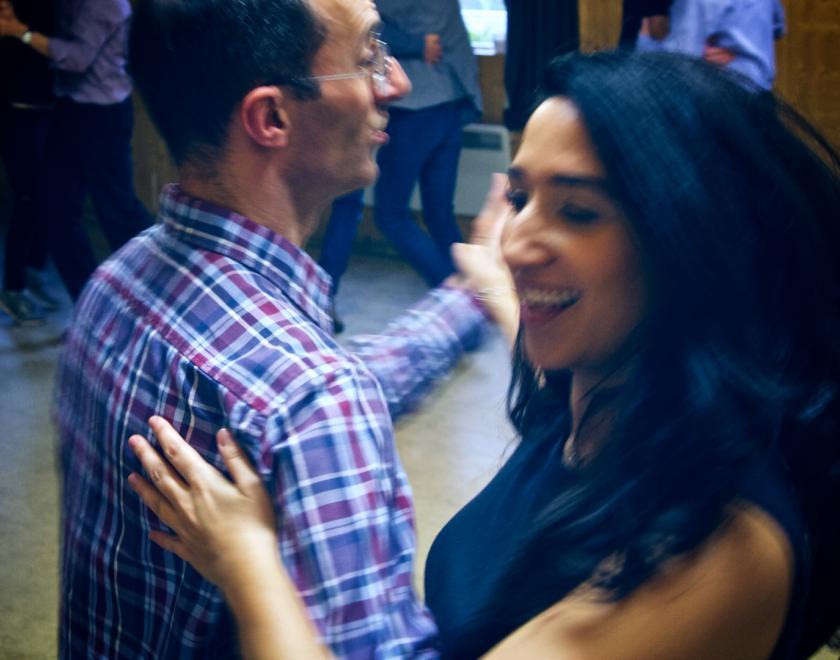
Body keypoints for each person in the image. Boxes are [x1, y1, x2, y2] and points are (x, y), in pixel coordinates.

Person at [128, 50, 840, 659]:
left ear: (689, 245)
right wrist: (496, 293)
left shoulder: (715, 548)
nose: (517, 242)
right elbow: (522, 329)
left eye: (579, 212)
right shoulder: (606, 396)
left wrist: (246, 557)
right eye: (522, 197)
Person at [53, 0, 515, 657]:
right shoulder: (313, 400)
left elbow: (294, 405)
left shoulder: (116, 283)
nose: (397, 83)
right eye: (368, 59)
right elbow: (306, 408)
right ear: (271, 117)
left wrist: (475, 291)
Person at [0, 0, 151, 301]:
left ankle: (160, 295)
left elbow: (76, 58)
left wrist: (20, 31)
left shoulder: (105, 4)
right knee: (57, 210)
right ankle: (90, 306)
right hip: (70, 107)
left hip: (102, 114)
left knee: (118, 212)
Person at [372, 0, 483, 287]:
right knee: (440, 214)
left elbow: (368, 19)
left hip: (415, 109)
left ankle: (457, 292)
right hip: (450, 100)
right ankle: (472, 292)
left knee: (390, 215)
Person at [0, 0, 58, 325]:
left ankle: (31, 271)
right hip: (17, 104)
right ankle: (13, 287)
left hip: (47, 101)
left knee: (44, 193)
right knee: (28, 195)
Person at [636, 0, 786, 90]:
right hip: (760, 95)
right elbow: (779, 26)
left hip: (724, 106)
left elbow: (682, 61)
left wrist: (645, 39)